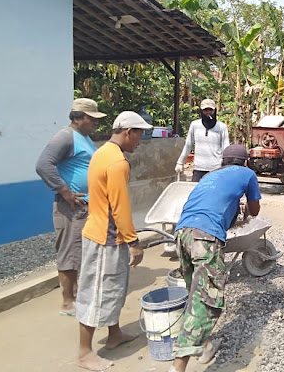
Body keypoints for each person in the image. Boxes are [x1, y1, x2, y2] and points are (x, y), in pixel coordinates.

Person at [169, 144, 262, 371]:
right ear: (246, 162)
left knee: (196, 295)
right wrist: (246, 212)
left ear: (223, 161)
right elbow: (255, 210)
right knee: (207, 303)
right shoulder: (247, 174)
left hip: (182, 234)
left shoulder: (211, 175)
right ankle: (178, 366)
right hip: (206, 237)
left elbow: (214, 203)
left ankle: (207, 347)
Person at [75, 111, 152, 371]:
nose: (140, 141)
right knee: (96, 292)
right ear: (128, 132)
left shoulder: (102, 152)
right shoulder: (118, 163)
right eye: (139, 135)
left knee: (114, 287)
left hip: (101, 230)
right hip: (104, 237)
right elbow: (119, 206)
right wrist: (134, 241)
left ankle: (114, 335)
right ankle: (84, 352)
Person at [36, 98, 106, 316]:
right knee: (68, 252)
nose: (95, 122)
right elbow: (43, 165)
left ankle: (77, 293)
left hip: (85, 205)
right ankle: (67, 302)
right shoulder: (65, 137)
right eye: (91, 118)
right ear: (78, 118)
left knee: (80, 252)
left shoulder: (84, 138)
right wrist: (64, 191)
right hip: (71, 207)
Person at [175, 98, 230, 182]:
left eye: (210, 110)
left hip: (216, 168)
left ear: (215, 110)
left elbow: (226, 147)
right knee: (197, 193)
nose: (208, 112)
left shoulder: (222, 127)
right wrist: (180, 162)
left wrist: (227, 165)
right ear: (201, 111)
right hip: (199, 168)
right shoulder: (195, 125)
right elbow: (188, 145)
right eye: (205, 110)